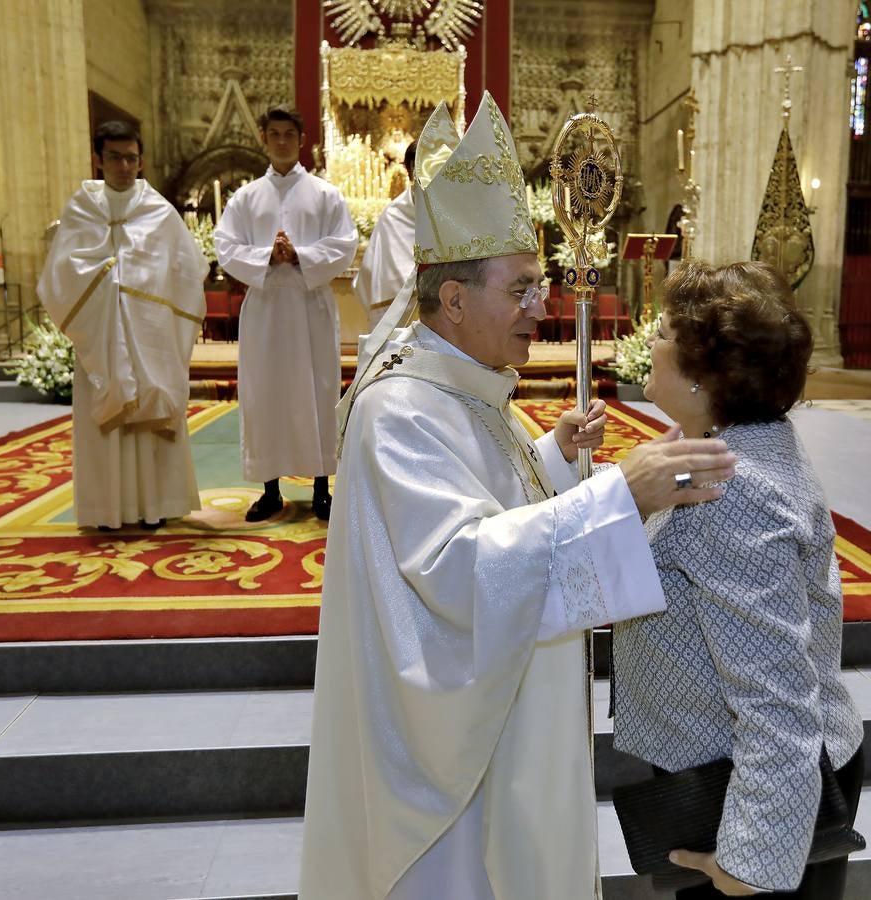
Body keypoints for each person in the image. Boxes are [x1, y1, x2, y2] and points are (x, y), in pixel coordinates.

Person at [298, 94, 737, 900]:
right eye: (523, 288)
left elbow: (483, 509)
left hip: (499, 729)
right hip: (448, 780)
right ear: (455, 300)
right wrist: (617, 499)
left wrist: (553, 462)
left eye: (541, 285)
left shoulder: (463, 387)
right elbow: (460, 570)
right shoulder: (402, 409)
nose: (542, 307)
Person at [612, 260, 865, 899]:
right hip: (727, 767)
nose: (652, 341)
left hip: (750, 788)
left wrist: (751, 860)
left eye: (666, 332)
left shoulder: (731, 490)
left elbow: (776, 694)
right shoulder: (718, 441)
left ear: (706, 374)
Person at [37, 120, 207, 530]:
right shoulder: (81, 208)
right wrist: (105, 284)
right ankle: (108, 511)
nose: (124, 166)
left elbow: (187, 269)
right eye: (114, 157)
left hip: (150, 335)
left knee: (150, 417)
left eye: (131, 158)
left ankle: (155, 505)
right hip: (101, 334)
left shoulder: (158, 211)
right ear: (98, 159)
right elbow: (59, 274)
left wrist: (144, 289)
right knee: (108, 419)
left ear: (140, 159)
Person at [214, 105, 358, 522]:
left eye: (289, 135)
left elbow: (344, 242)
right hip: (266, 309)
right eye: (273, 134)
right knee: (266, 395)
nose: (281, 141)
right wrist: (265, 256)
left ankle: (320, 488)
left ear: (302, 140)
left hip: (309, 305)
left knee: (318, 391)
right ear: (264, 137)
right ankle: (270, 489)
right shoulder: (245, 198)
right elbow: (226, 246)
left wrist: (301, 255)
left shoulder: (324, 194)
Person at [355, 141, 416, 329]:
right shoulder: (393, 216)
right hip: (404, 325)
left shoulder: (457, 214)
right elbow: (376, 275)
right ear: (409, 170)